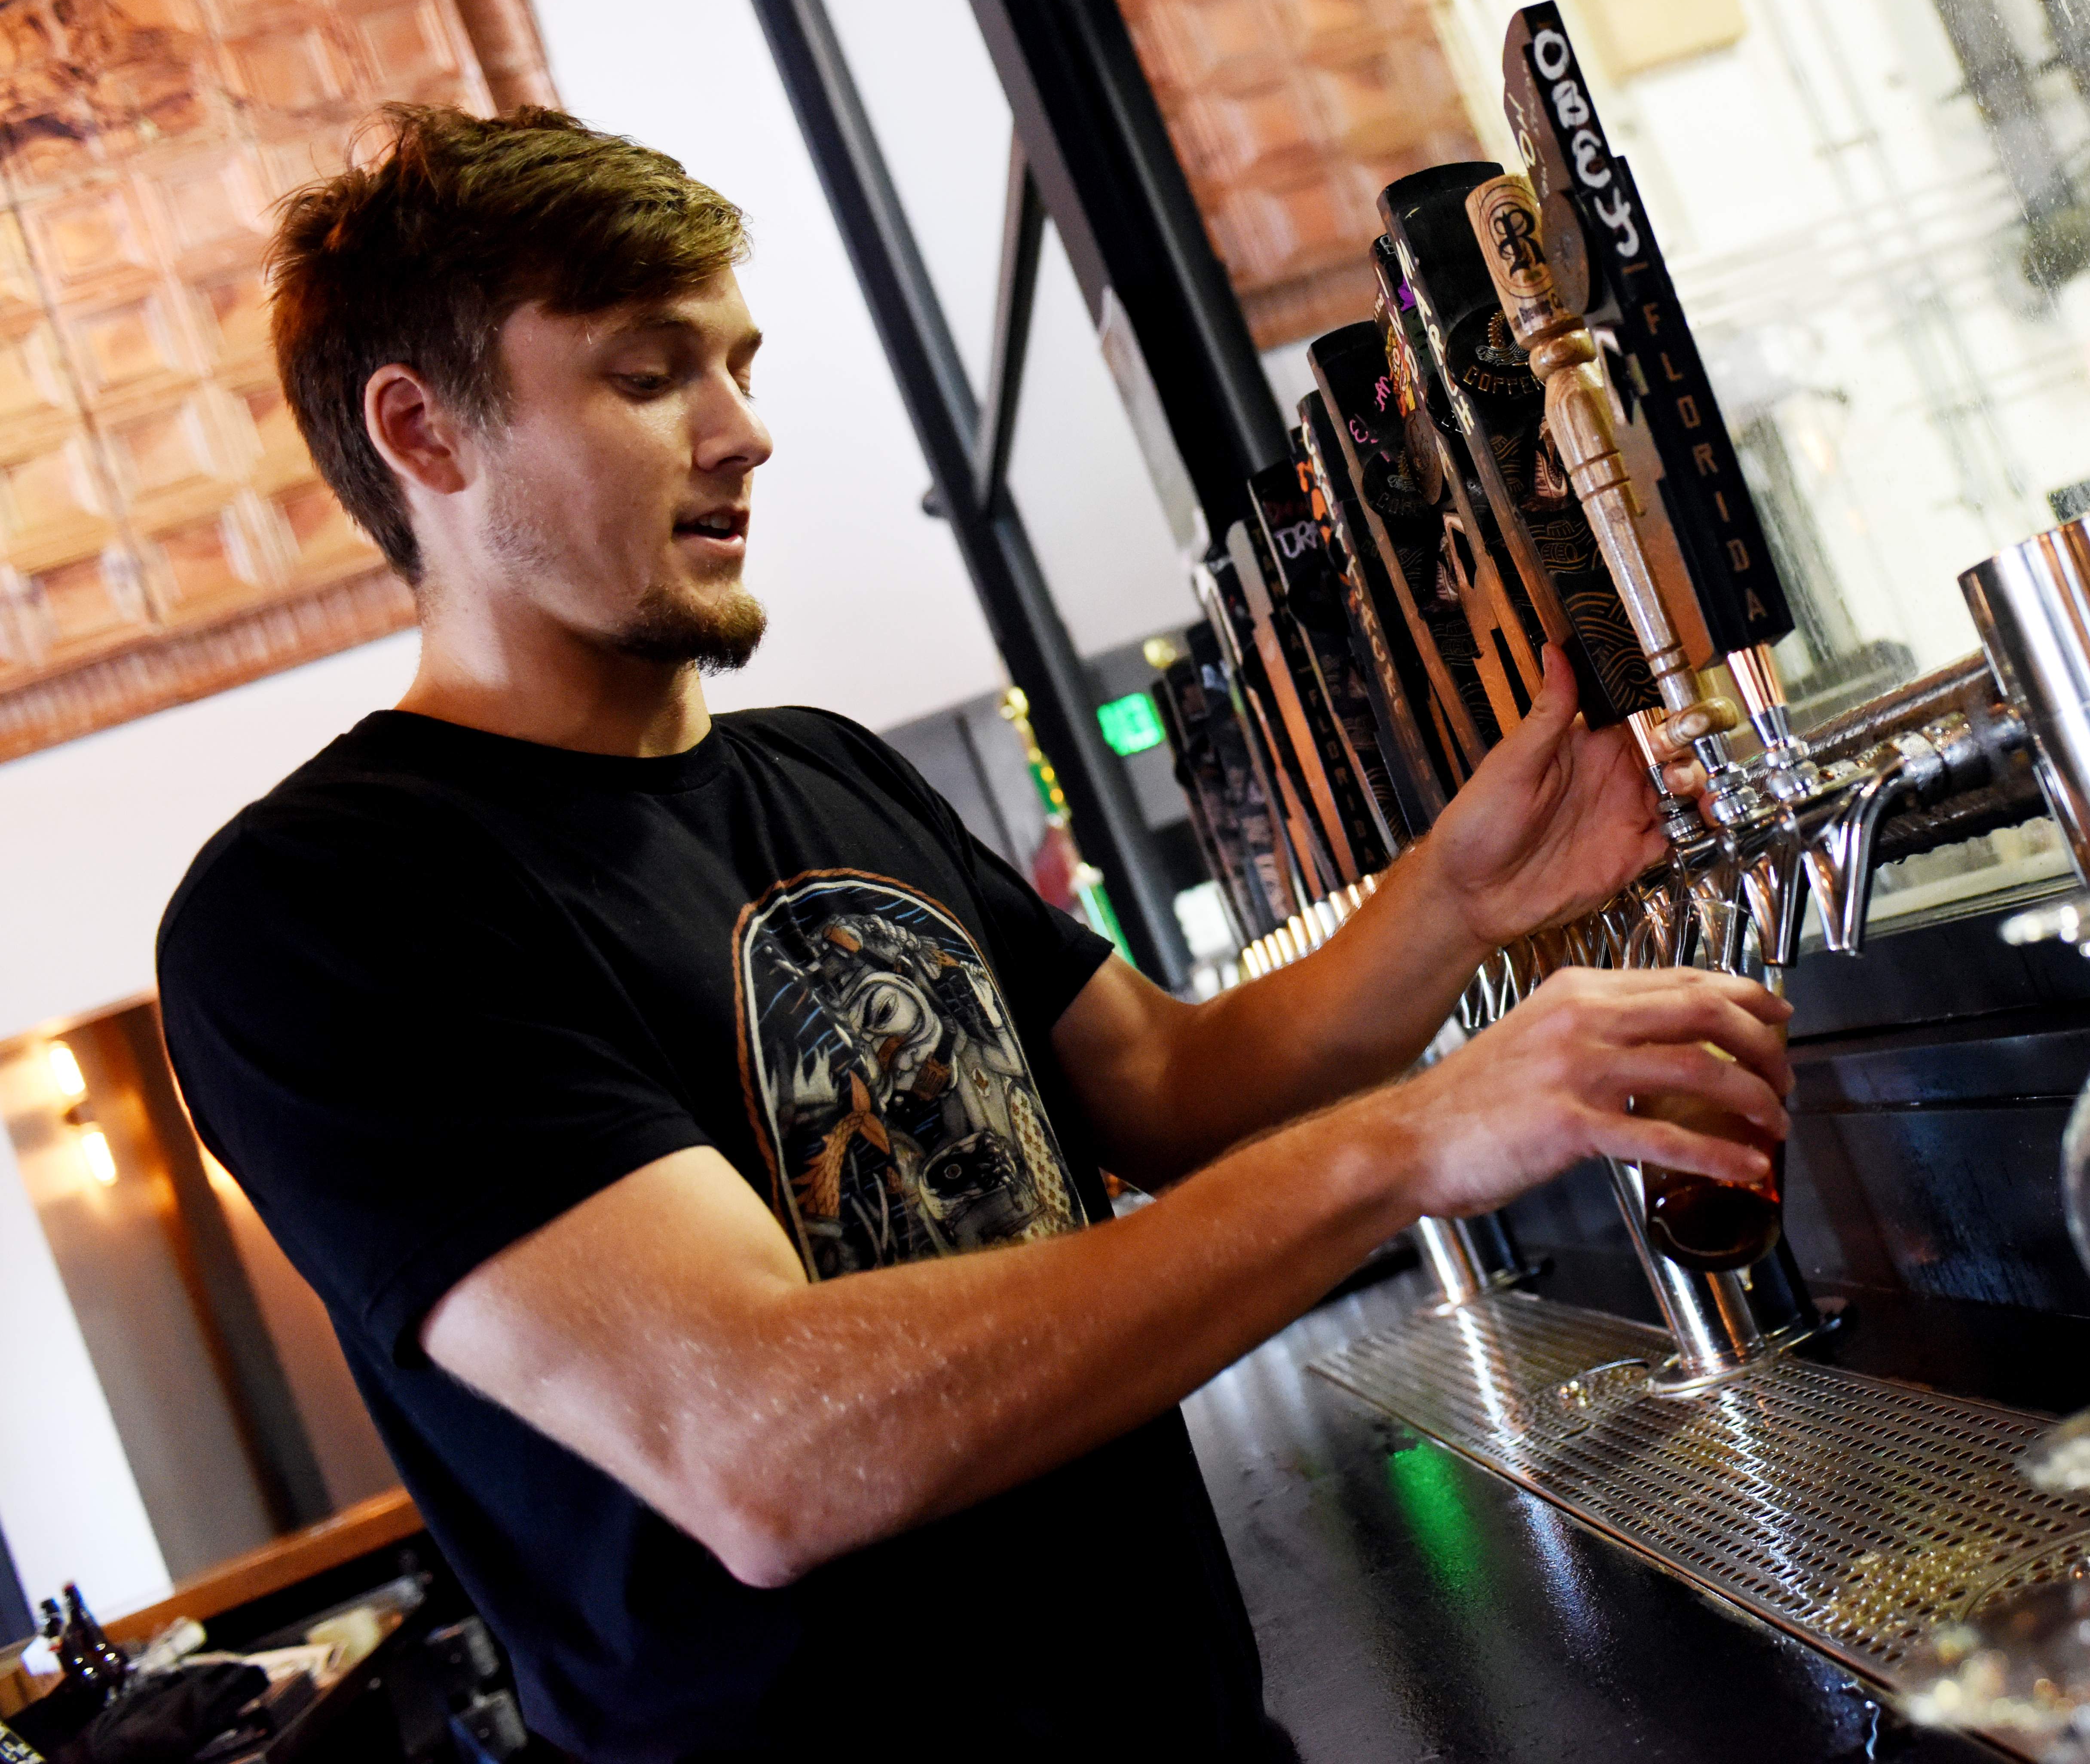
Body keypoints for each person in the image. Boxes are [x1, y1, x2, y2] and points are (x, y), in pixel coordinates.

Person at [156, 106, 1793, 1762]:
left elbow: (1170, 1082)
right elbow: (771, 1443)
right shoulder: (327, 907)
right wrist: (1419, 1138)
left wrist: (1461, 894)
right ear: (425, 433)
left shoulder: (827, 770)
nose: (743, 434)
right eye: (647, 376)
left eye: (738, 367)